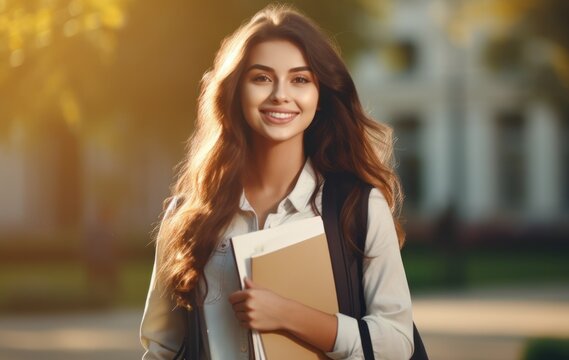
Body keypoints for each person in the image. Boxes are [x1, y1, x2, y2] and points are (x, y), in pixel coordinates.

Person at [140, 4, 414, 359]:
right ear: (236, 91)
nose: (280, 95)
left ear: (321, 95)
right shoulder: (188, 216)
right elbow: (162, 347)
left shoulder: (358, 208)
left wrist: (287, 314)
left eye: (300, 79)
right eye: (262, 78)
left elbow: (396, 343)